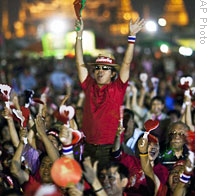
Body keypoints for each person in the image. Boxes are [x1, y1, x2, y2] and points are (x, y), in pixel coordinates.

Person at [74, 16, 145, 167]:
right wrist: (79, 36)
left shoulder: (118, 88)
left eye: (105, 69)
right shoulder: (89, 85)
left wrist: (131, 37)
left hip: (108, 147)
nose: (100, 71)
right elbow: (79, 63)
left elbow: (126, 63)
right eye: (97, 68)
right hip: (86, 145)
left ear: (113, 73)